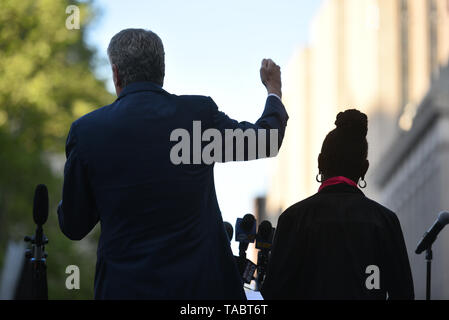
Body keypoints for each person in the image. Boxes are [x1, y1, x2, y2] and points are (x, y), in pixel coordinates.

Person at [57, 28, 288, 299]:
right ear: (162, 72)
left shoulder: (88, 133)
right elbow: (265, 141)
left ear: (116, 74)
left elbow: (73, 225)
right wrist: (274, 90)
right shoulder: (196, 118)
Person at [261, 109, 414, 300]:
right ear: (364, 168)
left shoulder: (293, 218)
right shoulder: (385, 220)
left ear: (320, 162)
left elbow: (273, 293)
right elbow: (404, 293)